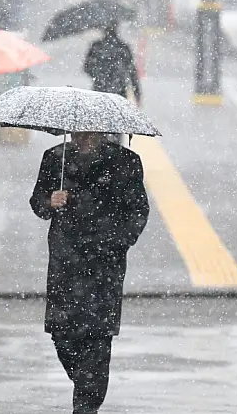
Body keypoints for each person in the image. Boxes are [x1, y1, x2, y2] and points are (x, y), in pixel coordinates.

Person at [29, 132, 150, 414]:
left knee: (97, 337)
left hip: (104, 265)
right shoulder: (54, 159)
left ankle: (86, 404)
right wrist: (50, 201)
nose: (82, 136)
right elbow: (37, 202)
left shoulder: (124, 161)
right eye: (78, 131)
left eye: (89, 131)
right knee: (62, 335)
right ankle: (86, 387)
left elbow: (138, 211)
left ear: (101, 131)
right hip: (65, 263)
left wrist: (117, 243)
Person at [83, 21, 141, 105]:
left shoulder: (96, 47)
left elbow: (87, 68)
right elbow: (132, 72)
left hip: (100, 89)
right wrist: (137, 93)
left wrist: (98, 75)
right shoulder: (123, 47)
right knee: (117, 113)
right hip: (119, 90)